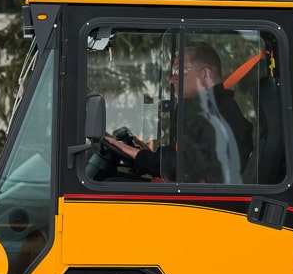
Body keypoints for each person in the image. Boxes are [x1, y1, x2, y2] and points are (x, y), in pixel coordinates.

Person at [105, 42, 253, 183]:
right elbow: (187, 157)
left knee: (108, 185)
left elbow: (181, 166)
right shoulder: (213, 108)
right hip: (194, 194)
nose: (172, 79)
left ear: (205, 74)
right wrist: (149, 155)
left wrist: (140, 156)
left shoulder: (213, 116)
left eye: (180, 71)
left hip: (200, 204)